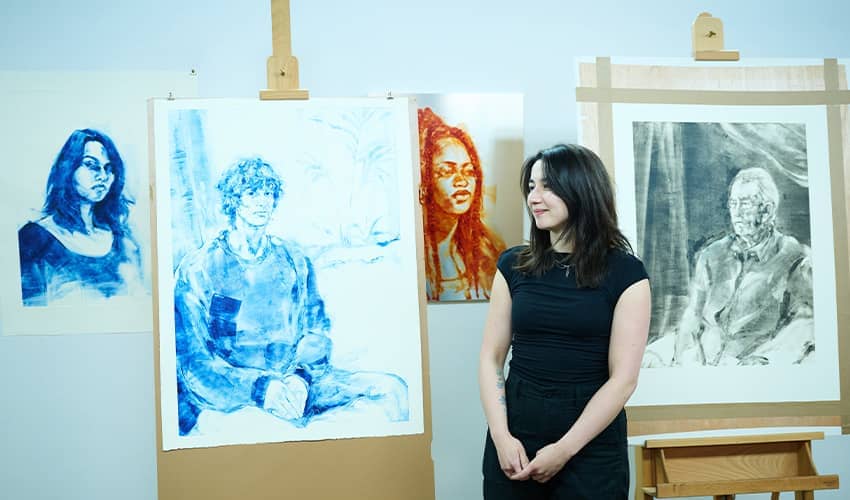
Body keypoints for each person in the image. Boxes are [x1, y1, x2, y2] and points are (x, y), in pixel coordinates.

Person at [174, 157, 409, 435]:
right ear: (233, 200)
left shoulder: (293, 259)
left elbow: (316, 331)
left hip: (300, 386)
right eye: (252, 193)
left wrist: (301, 377)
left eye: (268, 193)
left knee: (393, 390)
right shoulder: (200, 269)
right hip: (237, 396)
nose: (263, 202)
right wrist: (261, 389)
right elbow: (195, 366)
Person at [478, 144, 651, 499]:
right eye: (531, 187)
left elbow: (623, 380)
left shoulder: (626, 273)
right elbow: (490, 359)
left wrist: (565, 449)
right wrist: (501, 435)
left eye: (547, 187)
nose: (534, 198)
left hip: (590, 443)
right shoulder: (512, 265)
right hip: (517, 434)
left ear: (582, 191)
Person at [671, 167, 813, 366]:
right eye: (733, 203)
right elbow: (693, 314)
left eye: (745, 204)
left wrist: (767, 358)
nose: (736, 212)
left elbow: (806, 322)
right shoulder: (711, 254)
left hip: (754, 367)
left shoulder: (794, 256)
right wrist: (684, 358)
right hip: (703, 362)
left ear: (767, 211)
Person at [18, 128, 143, 306]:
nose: (103, 176)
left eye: (109, 168)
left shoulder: (123, 239)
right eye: (91, 165)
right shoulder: (34, 239)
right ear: (68, 170)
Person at [418, 107, 505, 301]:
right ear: (424, 181)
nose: (461, 181)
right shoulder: (413, 259)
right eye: (447, 171)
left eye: (468, 171)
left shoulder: (488, 253)